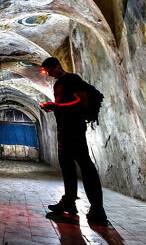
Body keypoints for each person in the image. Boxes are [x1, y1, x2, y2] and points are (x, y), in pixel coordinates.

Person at [40, 57, 108, 224]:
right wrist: (55, 108)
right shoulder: (58, 85)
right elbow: (63, 105)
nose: (49, 74)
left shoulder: (72, 79)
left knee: (85, 166)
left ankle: (97, 208)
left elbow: (82, 103)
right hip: (63, 130)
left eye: (49, 70)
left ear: (57, 66)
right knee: (67, 167)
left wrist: (56, 107)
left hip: (75, 130)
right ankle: (69, 203)